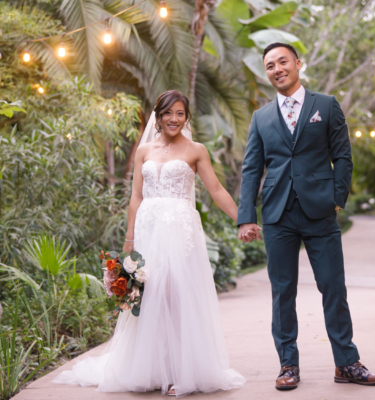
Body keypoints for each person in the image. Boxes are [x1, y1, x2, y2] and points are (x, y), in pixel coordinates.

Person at [54, 90, 246, 397]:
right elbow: (136, 196)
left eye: (180, 113)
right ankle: (153, 368)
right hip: (148, 228)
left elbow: (217, 189)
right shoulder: (143, 151)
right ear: (158, 116)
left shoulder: (196, 150)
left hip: (180, 231)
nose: (174, 119)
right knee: (149, 296)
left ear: (187, 118)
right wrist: (130, 239)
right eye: (168, 113)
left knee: (176, 296)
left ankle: (179, 372)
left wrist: (243, 219)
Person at [237, 43, 375, 390]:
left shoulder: (326, 105)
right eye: (270, 65)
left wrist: (336, 199)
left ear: (298, 64)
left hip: (320, 212)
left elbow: (343, 157)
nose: (277, 69)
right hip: (277, 214)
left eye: (283, 62)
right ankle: (288, 365)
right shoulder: (260, 117)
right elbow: (251, 170)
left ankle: (347, 364)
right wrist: (247, 216)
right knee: (282, 291)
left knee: (333, 287)